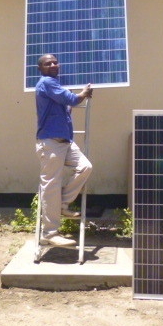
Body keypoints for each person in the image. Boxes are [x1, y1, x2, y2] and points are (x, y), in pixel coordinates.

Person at [35, 54, 93, 247]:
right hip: (50, 143)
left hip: (65, 142)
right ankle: (49, 234)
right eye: (47, 63)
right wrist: (82, 94)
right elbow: (72, 99)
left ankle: (62, 204)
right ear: (40, 68)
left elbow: (67, 102)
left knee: (85, 167)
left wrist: (74, 98)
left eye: (54, 62)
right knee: (51, 186)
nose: (52, 65)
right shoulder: (47, 83)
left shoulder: (55, 87)